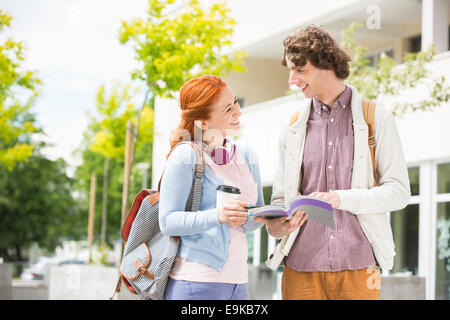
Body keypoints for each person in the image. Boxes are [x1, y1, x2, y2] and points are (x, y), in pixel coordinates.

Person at [254, 25, 411, 300]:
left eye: (300, 70)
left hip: (359, 267)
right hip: (300, 269)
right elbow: (281, 199)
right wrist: (276, 225)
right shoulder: (292, 128)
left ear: (326, 64)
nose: (292, 79)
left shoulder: (376, 118)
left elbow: (399, 192)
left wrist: (340, 198)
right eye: (290, 70)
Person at [159, 75, 265, 300]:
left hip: (239, 284)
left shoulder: (246, 155)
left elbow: (250, 221)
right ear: (203, 122)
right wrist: (218, 216)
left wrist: (272, 220)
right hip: (197, 282)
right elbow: (167, 221)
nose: (238, 112)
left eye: (236, 102)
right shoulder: (186, 155)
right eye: (228, 109)